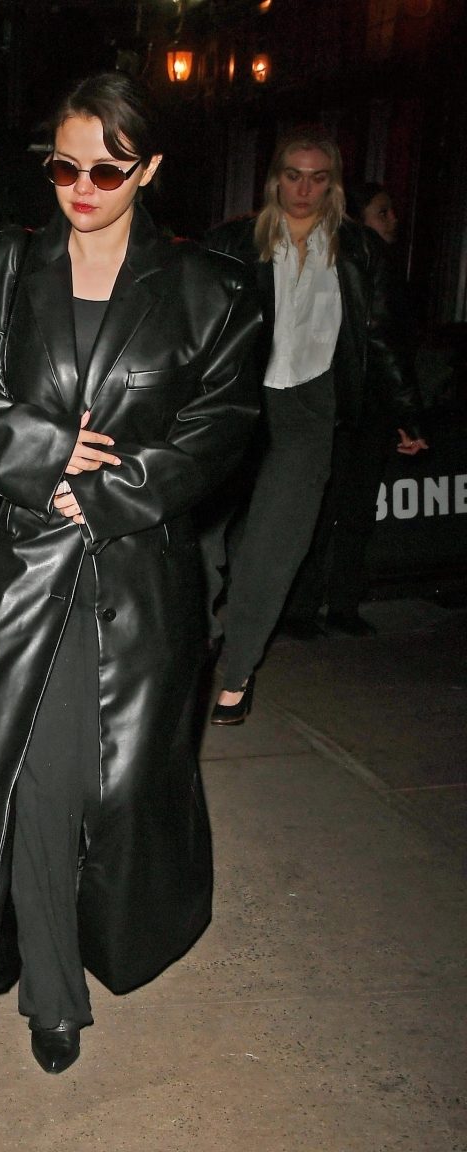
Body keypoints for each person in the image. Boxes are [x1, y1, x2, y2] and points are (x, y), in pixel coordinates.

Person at [0, 72, 262, 1073]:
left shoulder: (211, 291)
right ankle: (53, 996)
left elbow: (221, 427)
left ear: (149, 171)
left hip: (138, 575)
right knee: (33, 779)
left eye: (107, 171)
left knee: (122, 792)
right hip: (24, 569)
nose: (81, 188)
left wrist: (108, 492)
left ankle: (114, 936)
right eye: (63, 167)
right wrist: (44, 453)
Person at [203, 129, 427, 724]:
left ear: (333, 185)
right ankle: (197, 643)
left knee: (274, 549)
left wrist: (405, 411)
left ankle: (237, 673)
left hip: (310, 408)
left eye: (318, 177)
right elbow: (192, 330)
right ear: (275, 178)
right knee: (201, 539)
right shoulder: (234, 242)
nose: (304, 189)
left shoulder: (357, 250)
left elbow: (379, 334)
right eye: (294, 175)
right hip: (238, 403)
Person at [284, 181, 427, 637]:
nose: (393, 220)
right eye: (382, 212)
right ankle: (309, 608)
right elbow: (379, 338)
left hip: (365, 407)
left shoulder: (377, 265)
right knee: (328, 509)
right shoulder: (347, 259)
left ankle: (336, 605)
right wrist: (408, 412)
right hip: (340, 405)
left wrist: (401, 413)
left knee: (353, 510)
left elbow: (389, 344)